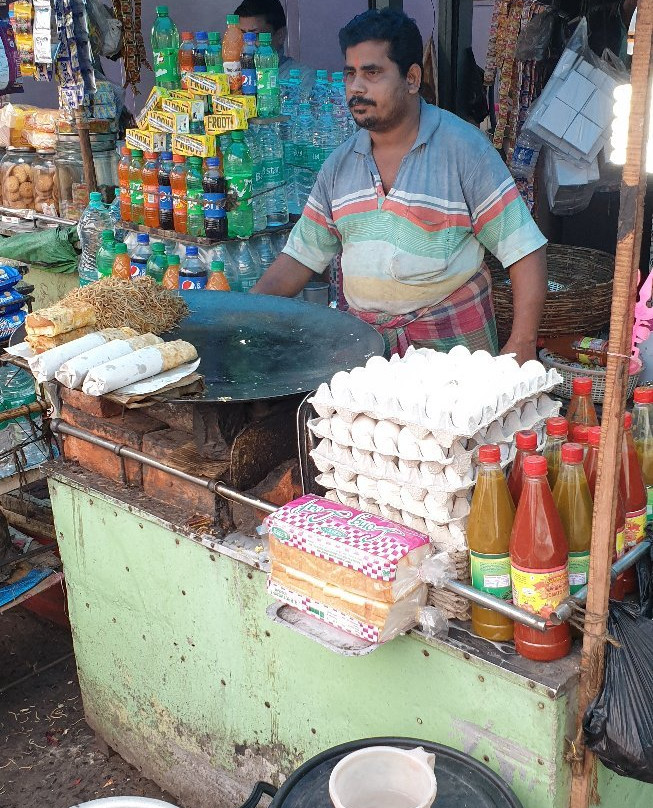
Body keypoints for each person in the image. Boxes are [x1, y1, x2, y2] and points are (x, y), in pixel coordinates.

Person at [252, 8, 548, 365]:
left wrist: (522, 342)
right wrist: (246, 312)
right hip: (367, 351)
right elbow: (300, 257)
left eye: (372, 73)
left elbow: (524, 250)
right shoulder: (339, 166)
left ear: (411, 78)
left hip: (454, 351)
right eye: (350, 74)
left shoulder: (465, 151)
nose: (357, 87)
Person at [234, 0, 315, 95]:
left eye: (255, 35)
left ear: (280, 35)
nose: (247, 45)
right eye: (242, 35)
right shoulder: (232, 75)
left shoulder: (303, 78)